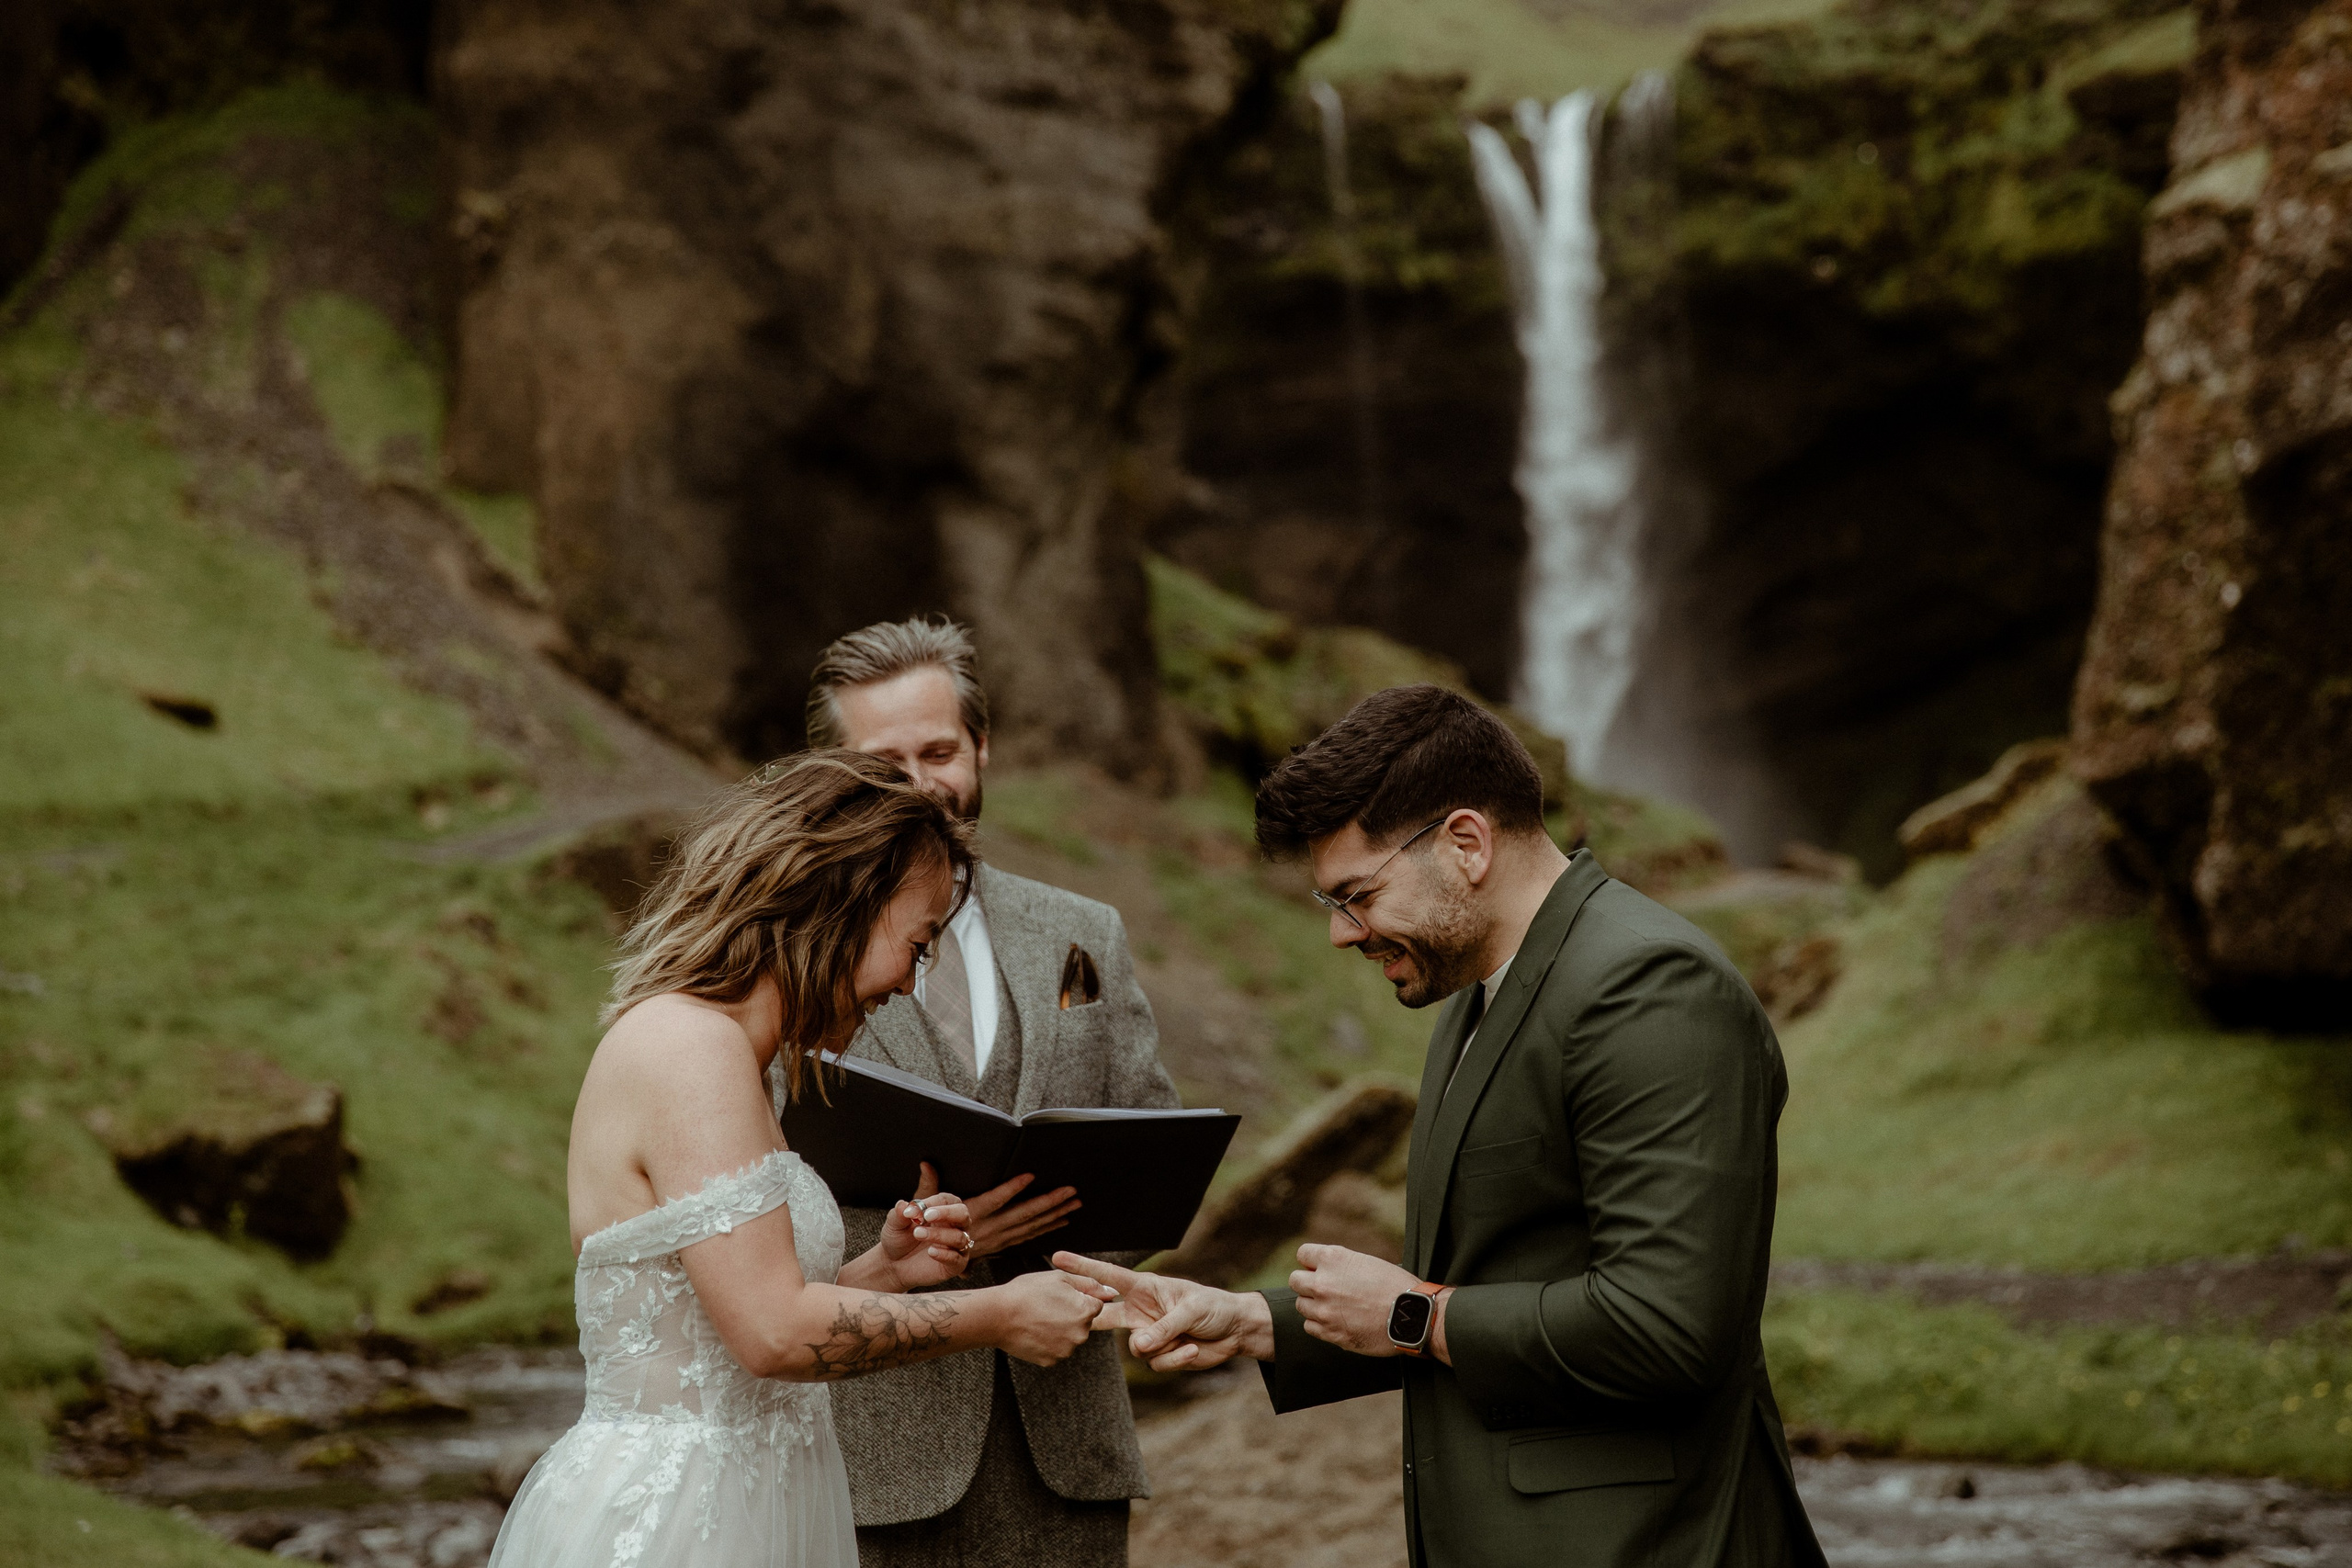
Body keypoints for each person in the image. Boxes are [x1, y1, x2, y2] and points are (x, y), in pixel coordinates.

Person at [1066, 685, 1826, 1568]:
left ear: (1466, 842)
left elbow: (1667, 1327)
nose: (1342, 935)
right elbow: (1482, 1283)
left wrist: (1405, 1312)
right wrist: (1247, 1321)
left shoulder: (1651, 987)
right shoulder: (1475, 997)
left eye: (1357, 895)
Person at [488, 750, 1118, 1568]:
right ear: (847, 902)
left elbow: (727, 1315)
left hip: (755, 1501)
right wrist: (999, 1314)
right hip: (681, 1522)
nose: (906, 982)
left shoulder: (738, 1059)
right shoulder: (691, 1049)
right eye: (917, 942)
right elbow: (772, 1336)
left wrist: (885, 1273)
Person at [793, 616, 1180, 1568]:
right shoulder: (784, 953)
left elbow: (1157, 1153)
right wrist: (936, 1253)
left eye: (940, 750)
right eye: (886, 760)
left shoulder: (1083, 930)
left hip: (1067, 1452)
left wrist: (1058, 1245)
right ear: (831, 774)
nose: (922, 784)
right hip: (871, 1454)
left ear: (982, 749)